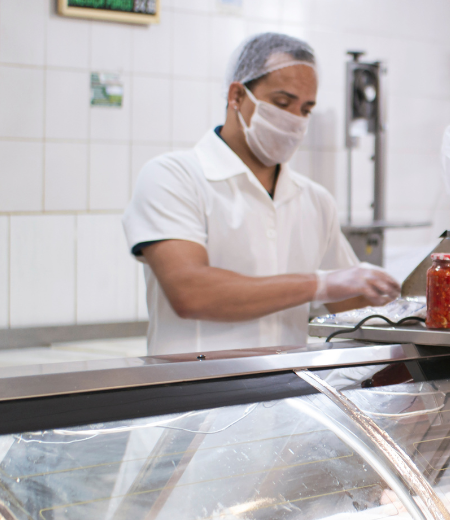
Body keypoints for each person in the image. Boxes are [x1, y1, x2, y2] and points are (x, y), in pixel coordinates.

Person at [122, 33, 399, 355]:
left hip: (288, 393)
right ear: (237, 95)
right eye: (282, 103)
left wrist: (416, 297)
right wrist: (319, 284)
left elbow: (351, 305)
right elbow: (190, 292)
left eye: (306, 109)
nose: (294, 119)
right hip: (198, 395)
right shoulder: (174, 176)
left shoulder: (315, 199)